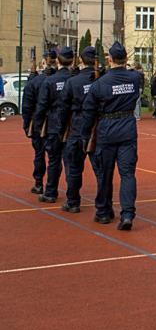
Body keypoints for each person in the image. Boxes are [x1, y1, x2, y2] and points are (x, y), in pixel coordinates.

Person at [79, 42, 142, 230]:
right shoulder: (135, 78)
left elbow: (89, 111)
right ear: (126, 59)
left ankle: (103, 211)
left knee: (105, 174)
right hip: (128, 127)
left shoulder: (100, 83)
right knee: (128, 174)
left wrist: (85, 135)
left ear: (110, 59)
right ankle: (128, 214)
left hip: (107, 129)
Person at [60, 46, 102, 213]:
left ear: (82, 60)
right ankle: (102, 206)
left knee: (74, 168)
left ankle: (73, 201)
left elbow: (64, 108)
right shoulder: (101, 79)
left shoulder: (73, 81)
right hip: (96, 128)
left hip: (77, 126)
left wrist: (62, 129)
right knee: (100, 171)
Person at [32, 46, 75, 203]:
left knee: (54, 160)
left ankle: (51, 191)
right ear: (73, 60)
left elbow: (42, 106)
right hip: (72, 124)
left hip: (54, 124)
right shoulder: (75, 79)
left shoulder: (50, 81)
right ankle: (72, 196)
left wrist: (37, 125)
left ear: (58, 61)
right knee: (70, 162)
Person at [22, 50, 56, 194]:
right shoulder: (61, 79)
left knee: (39, 154)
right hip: (56, 121)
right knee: (55, 157)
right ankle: (51, 186)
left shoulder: (36, 81)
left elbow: (27, 105)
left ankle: (38, 183)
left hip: (39, 120)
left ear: (44, 62)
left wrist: (26, 124)